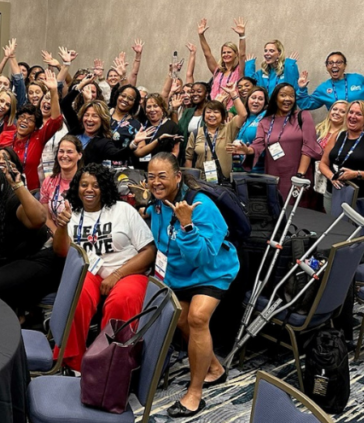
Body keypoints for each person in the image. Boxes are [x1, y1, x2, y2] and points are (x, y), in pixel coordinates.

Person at [147, 153, 240, 417]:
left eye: (162, 176)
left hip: (212, 271)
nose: (156, 182)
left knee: (197, 318)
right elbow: (161, 242)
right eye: (151, 177)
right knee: (181, 320)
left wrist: (187, 225)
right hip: (179, 274)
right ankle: (214, 368)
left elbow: (203, 257)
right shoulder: (157, 204)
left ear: (178, 176)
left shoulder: (201, 205)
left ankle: (194, 394)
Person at [51, 163, 156, 372]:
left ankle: (108, 364)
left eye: (96, 185)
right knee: (77, 294)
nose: (89, 190)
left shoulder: (123, 210)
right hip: (90, 272)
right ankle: (74, 362)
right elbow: (61, 251)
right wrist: (61, 227)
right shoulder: (72, 213)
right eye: (84, 185)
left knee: (121, 301)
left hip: (127, 271)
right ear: (77, 188)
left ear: (105, 188)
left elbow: (149, 251)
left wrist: (117, 274)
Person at [0, 159, 60, 316]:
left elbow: (39, 219)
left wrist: (17, 185)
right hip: (21, 262)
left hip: (41, 260)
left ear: (1, 180)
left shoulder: (12, 200)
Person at [232, 83, 322, 202]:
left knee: (299, 214)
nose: (287, 99)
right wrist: (247, 150)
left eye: (291, 96)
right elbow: (258, 144)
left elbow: (309, 146)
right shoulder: (265, 121)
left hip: (298, 175)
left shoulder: (303, 116)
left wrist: (300, 176)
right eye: (283, 95)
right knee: (277, 210)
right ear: (275, 98)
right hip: (274, 175)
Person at [0, 70, 63, 190]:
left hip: (30, 191)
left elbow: (56, 121)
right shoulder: (5, 135)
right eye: (22, 117)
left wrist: (53, 91)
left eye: (30, 119)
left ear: (36, 126)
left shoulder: (39, 137)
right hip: (3, 189)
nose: (24, 121)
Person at [297, 52, 364, 111]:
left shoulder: (357, 79)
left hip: (361, 127)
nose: (334, 65)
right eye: (330, 63)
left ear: (345, 65)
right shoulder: (323, 88)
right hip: (338, 129)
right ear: (327, 67)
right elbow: (306, 105)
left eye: (339, 62)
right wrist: (301, 88)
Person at [185, 93, 244, 182]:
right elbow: (189, 158)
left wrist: (234, 95)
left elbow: (243, 114)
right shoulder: (196, 133)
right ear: (204, 115)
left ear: (223, 115)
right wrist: (190, 179)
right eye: (208, 112)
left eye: (216, 112)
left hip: (223, 181)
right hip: (200, 181)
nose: (212, 115)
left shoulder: (228, 129)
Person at [40, 135, 84, 231]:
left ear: (79, 155)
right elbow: (47, 218)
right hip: (56, 235)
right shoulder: (48, 181)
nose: (64, 156)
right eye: (61, 151)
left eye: (69, 152)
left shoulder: (86, 181)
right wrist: (59, 238)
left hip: (82, 234)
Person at [197, 18, 245, 100]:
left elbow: (242, 55)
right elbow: (207, 54)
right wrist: (201, 36)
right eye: (224, 52)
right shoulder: (218, 71)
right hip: (215, 108)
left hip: (231, 109)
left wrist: (242, 36)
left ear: (236, 54)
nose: (226, 55)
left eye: (229, 52)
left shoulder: (239, 70)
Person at [227, 86, 268, 172]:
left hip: (257, 171)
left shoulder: (266, 118)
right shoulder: (244, 118)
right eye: (253, 98)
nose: (256, 101)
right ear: (248, 100)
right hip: (238, 169)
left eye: (260, 99)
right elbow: (242, 113)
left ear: (265, 103)